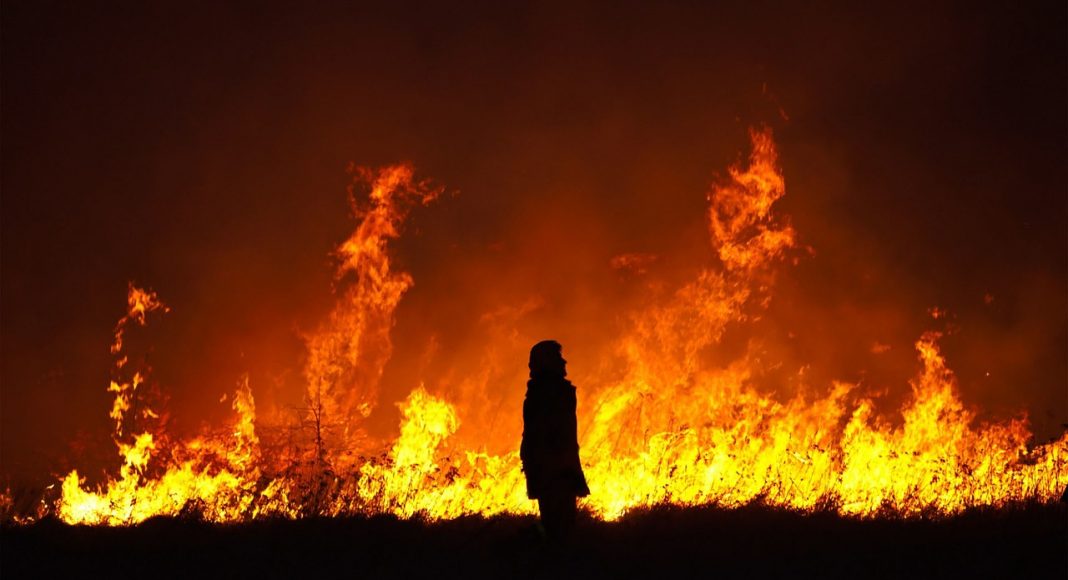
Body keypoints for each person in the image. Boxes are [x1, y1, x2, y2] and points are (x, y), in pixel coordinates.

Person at [520, 340, 590, 543]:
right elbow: (549, 437)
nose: (564, 361)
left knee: (557, 527)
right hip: (554, 473)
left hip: (553, 472)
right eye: (558, 357)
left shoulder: (545, 393)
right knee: (559, 529)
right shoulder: (548, 395)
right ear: (547, 362)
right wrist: (564, 471)